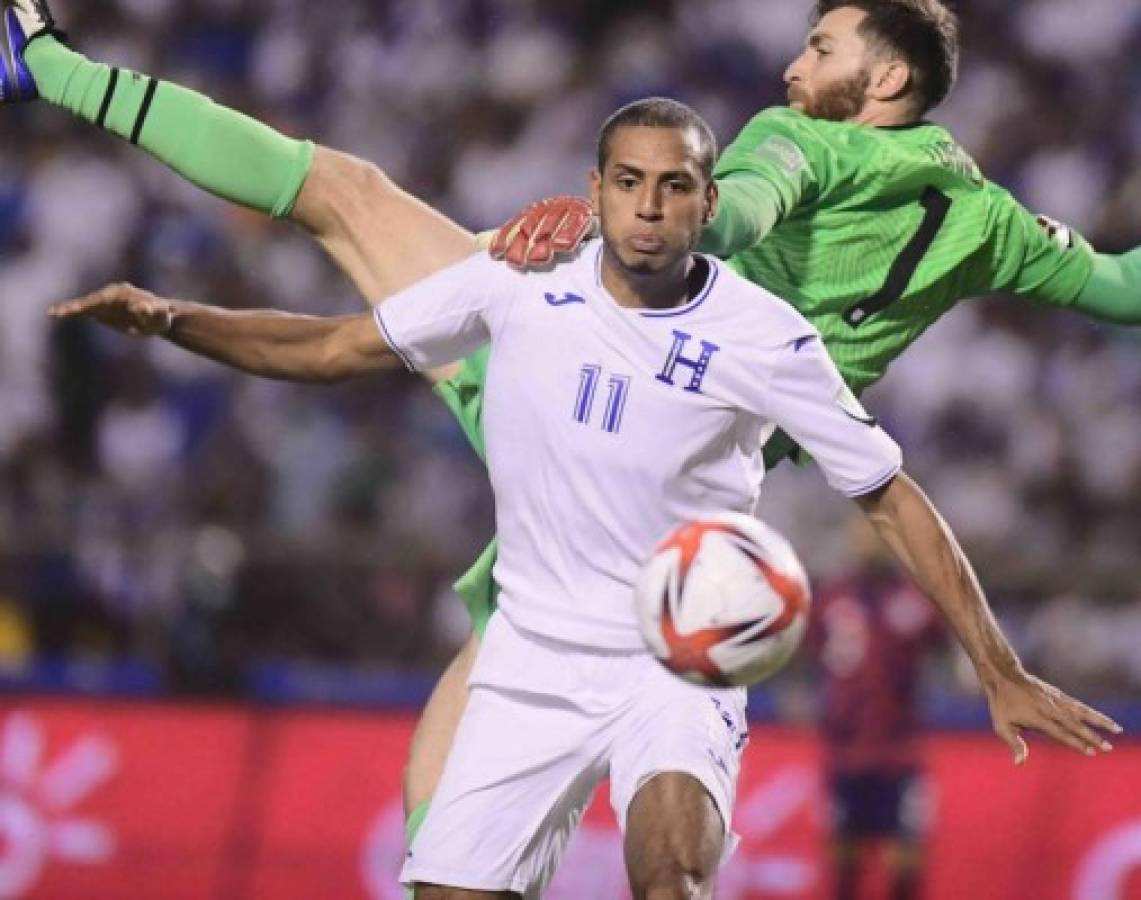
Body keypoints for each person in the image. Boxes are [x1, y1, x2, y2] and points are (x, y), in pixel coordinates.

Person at [4, 0, 1139, 851]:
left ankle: (44, 63)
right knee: (456, 804)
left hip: (586, 380)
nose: (795, 68)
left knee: (341, 194)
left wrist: (620, 220)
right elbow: (1125, 291)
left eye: (824, 48)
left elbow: (735, 207)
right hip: (658, 497)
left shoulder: (805, 143)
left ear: (885, 76)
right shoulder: (997, 227)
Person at [807, 524, 947, 900]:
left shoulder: (913, 597)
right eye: (865, 535)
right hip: (847, 748)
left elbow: (943, 642)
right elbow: (811, 651)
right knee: (844, 859)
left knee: (905, 860)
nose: (871, 544)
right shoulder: (833, 597)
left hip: (900, 750)